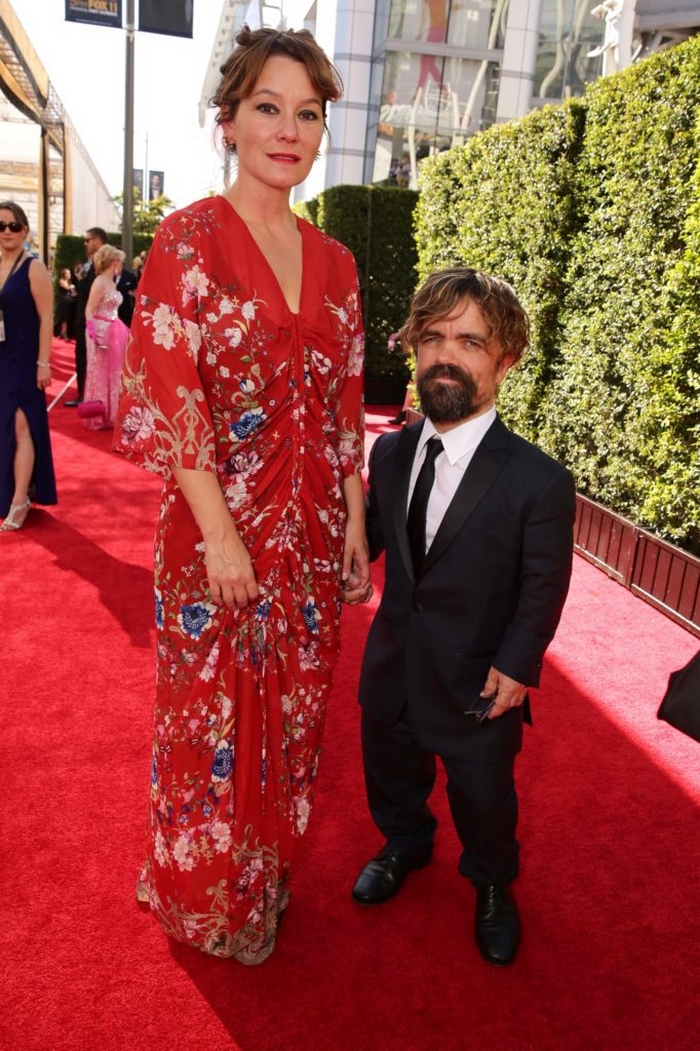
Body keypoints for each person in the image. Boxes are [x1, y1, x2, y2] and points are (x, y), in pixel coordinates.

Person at [113, 26, 371, 964]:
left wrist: (352, 521)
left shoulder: (338, 263)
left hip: (307, 544)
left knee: (294, 723)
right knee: (209, 724)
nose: (289, 129)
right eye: (269, 106)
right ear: (229, 121)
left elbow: (346, 400)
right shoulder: (185, 239)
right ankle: (202, 898)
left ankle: (262, 881)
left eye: (308, 112)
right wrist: (220, 536)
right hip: (212, 539)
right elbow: (170, 393)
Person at [351, 267, 576, 967]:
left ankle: (491, 883)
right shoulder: (388, 451)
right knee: (390, 771)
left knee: (484, 798)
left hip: (481, 680)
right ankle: (405, 844)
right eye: (434, 337)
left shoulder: (538, 479)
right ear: (415, 348)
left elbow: (545, 584)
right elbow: (378, 542)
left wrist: (517, 664)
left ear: (505, 359)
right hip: (393, 662)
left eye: (471, 340)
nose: (447, 354)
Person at [0, 201, 57, 531]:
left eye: (13, 225)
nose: (6, 231)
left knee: (22, 426)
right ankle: (9, 492)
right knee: (4, 427)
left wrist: (43, 363)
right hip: (2, 358)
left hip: (25, 359)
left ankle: (21, 499)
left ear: (24, 230)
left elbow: (47, 317)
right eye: (1, 226)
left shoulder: (33, 267)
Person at [81, 245, 129, 431]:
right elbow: (89, 309)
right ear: (114, 261)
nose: (122, 264)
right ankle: (97, 414)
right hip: (100, 330)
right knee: (99, 371)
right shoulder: (100, 281)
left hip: (115, 328)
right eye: (120, 260)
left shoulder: (111, 281)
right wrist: (93, 333)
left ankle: (112, 413)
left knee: (115, 372)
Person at [66, 226, 107, 407]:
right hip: (86, 321)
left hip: (99, 323)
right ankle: (85, 393)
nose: (85, 243)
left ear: (98, 240)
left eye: (88, 239)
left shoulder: (106, 264)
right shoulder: (89, 265)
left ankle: (90, 395)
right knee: (82, 356)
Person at [55, 267, 77, 340]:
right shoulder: (62, 281)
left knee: (67, 317)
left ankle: (64, 332)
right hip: (63, 301)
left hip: (69, 301)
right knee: (63, 317)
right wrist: (71, 287)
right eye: (67, 273)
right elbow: (67, 288)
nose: (69, 274)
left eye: (69, 273)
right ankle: (62, 333)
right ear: (64, 274)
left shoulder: (69, 282)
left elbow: (73, 292)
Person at [116, 261, 138, 328]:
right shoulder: (109, 276)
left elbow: (136, 293)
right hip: (112, 313)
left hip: (126, 313)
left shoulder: (130, 276)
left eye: (118, 261)